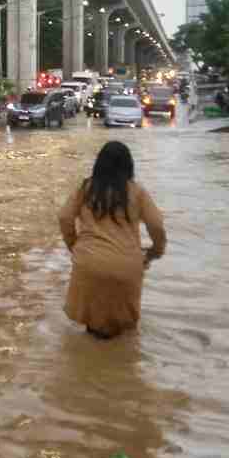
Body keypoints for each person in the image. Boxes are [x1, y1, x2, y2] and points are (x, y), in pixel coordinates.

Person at [58, 141, 167, 339]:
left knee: (90, 333)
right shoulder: (137, 192)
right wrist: (154, 252)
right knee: (124, 335)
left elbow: (64, 217)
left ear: (98, 164)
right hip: (127, 266)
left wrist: (74, 245)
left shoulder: (85, 188)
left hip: (88, 263)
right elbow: (157, 225)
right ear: (129, 166)